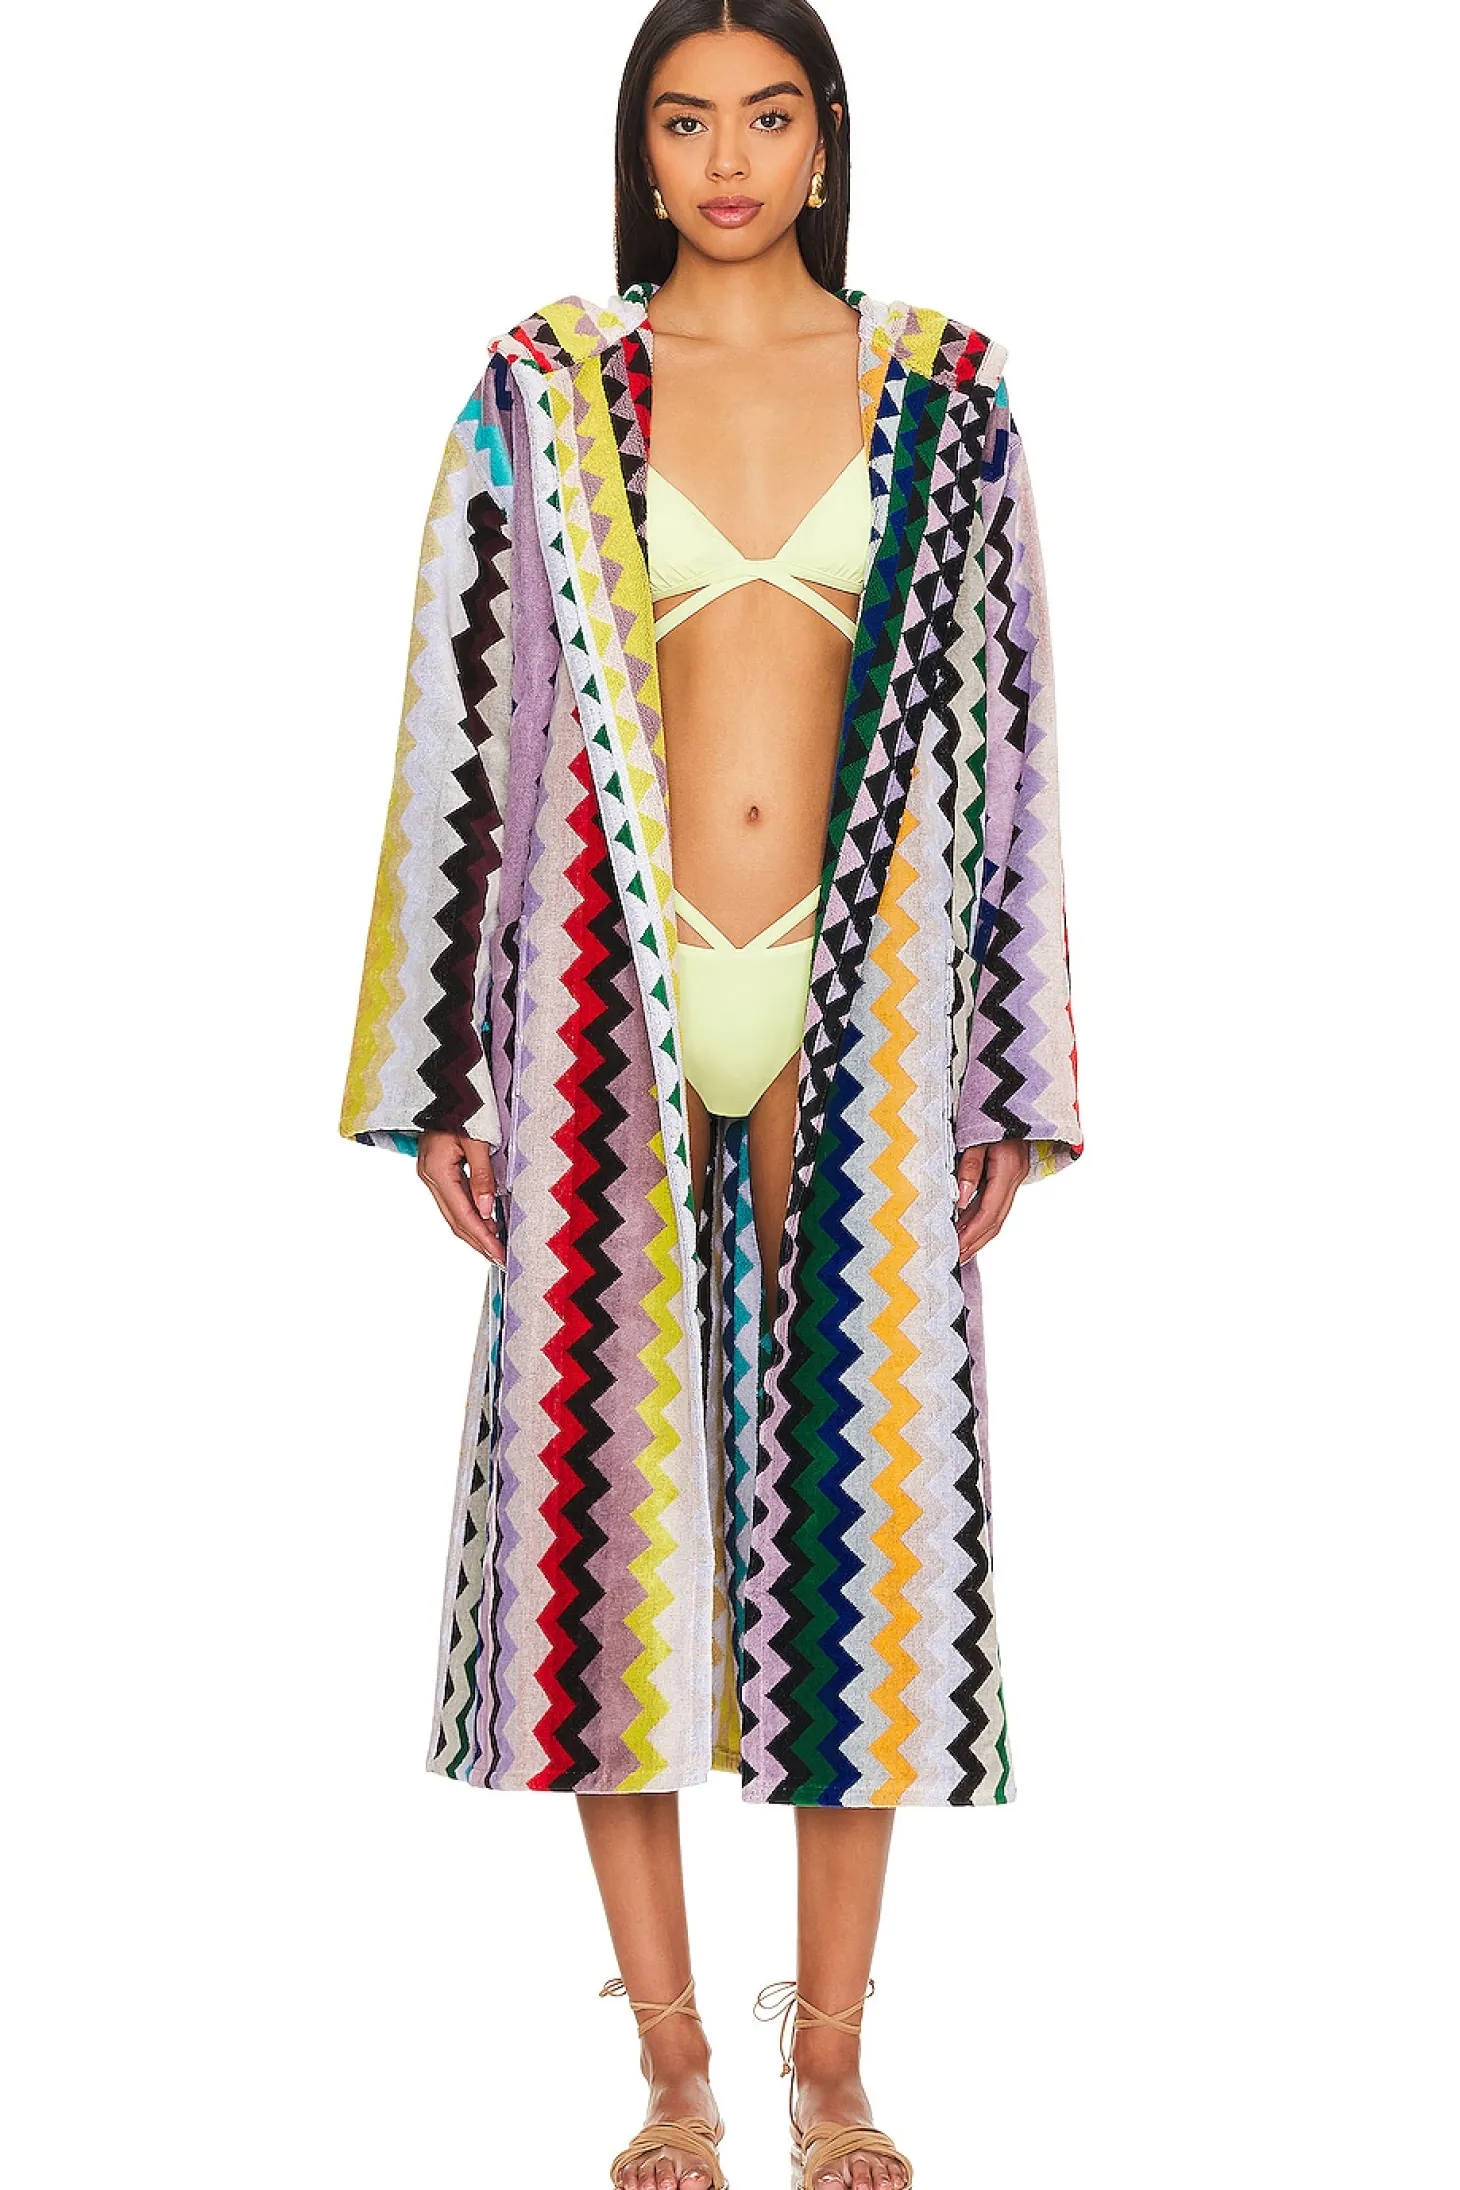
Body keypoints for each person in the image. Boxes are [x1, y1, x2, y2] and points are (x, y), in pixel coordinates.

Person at [338, 3, 1083, 2185]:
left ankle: (828, 2065)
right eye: (685, 122)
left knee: (871, 1540)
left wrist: (1015, 1065)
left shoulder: (947, 391)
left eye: (766, 116)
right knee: (606, 1538)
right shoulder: (546, 388)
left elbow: (1015, 731)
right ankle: (671, 2061)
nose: (728, 159)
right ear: (640, 150)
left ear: (825, 137)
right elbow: (458, 710)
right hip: (603, 998)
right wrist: (436, 1061)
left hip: (873, 1005)